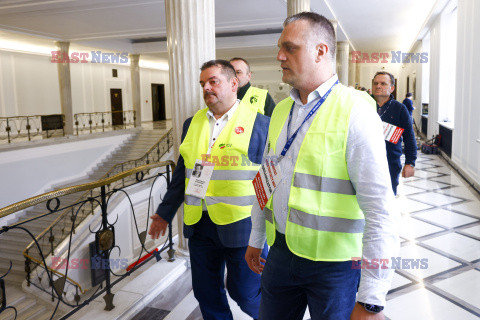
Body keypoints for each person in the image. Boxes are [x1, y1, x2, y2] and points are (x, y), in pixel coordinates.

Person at [245, 12, 398, 320]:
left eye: (290, 47)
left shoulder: (355, 110)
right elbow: (267, 178)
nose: (279, 56)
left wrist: (371, 298)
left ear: (321, 51)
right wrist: (255, 237)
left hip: (335, 266)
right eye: (280, 47)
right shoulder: (281, 111)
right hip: (280, 254)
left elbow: (381, 210)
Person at [149, 59, 269, 320]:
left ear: (234, 83)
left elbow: (269, 180)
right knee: (205, 292)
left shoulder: (260, 124)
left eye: (213, 81)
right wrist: (165, 212)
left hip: (242, 226)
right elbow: (183, 171)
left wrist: (271, 228)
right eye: (203, 83)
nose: (206, 88)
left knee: (245, 293)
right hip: (200, 223)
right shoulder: (191, 123)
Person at [373, 72, 417, 195]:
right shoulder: (365, 105)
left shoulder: (400, 109)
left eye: (383, 83)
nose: (378, 86)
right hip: (366, 161)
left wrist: (410, 163)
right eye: (376, 83)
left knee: (388, 197)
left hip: (390, 162)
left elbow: (409, 137)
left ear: (392, 88)